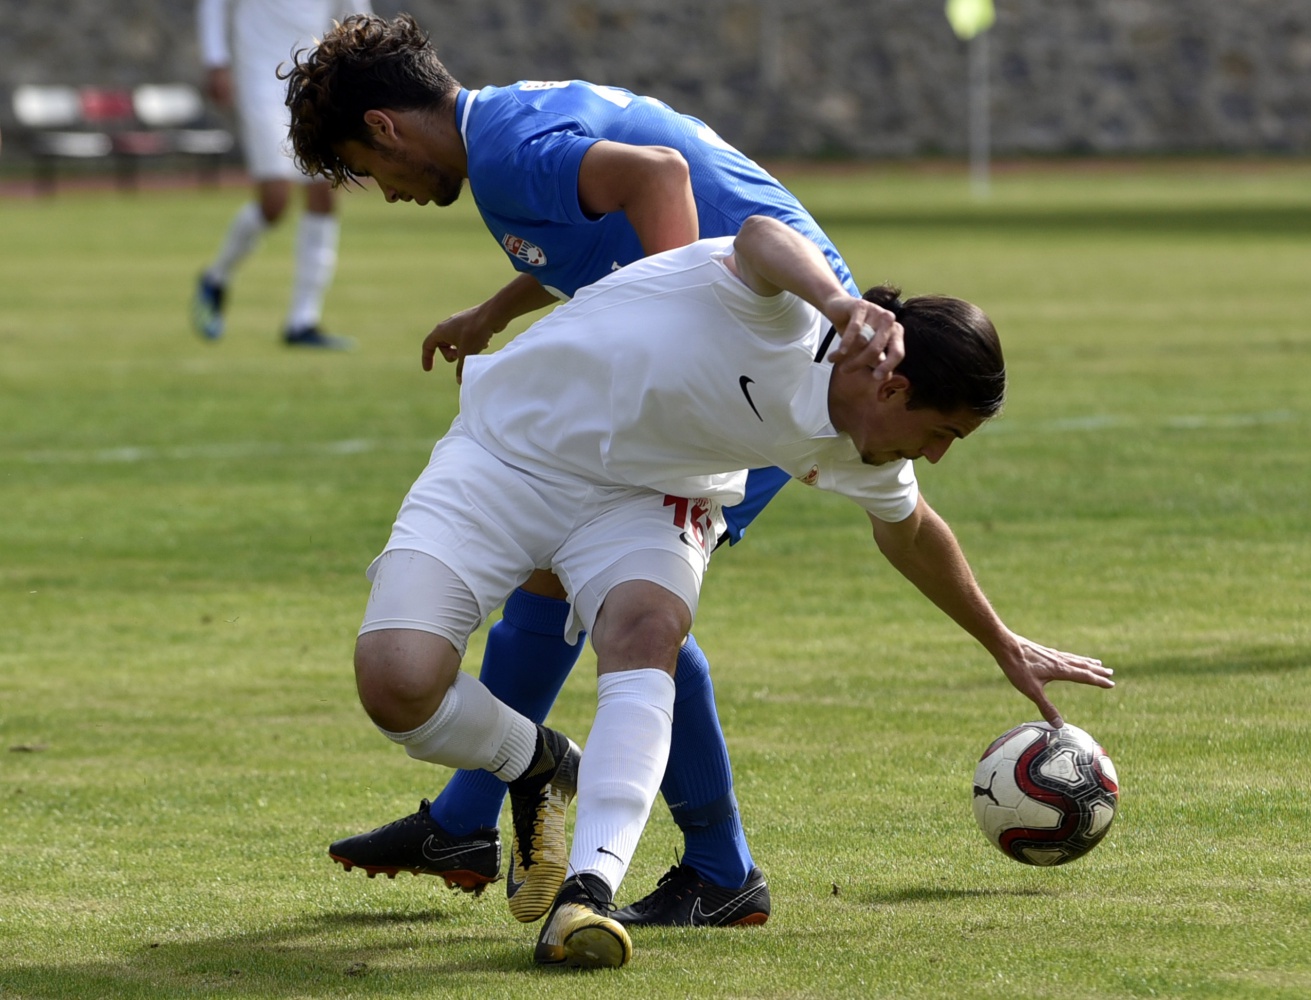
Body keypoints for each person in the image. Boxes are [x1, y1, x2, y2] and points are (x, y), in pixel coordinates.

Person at [338, 213, 1115, 968]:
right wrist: (840, 303)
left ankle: (590, 891)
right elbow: (754, 236)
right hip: (505, 452)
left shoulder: (869, 453)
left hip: (649, 499)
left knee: (647, 632)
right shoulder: (788, 321)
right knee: (396, 684)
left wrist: (1002, 643)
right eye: (943, 432)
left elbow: (913, 532)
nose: (937, 457)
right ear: (891, 386)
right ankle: (536, 763)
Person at [285, 12, 891, 928]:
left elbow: (659, 181)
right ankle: (463, 821)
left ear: (384, 127)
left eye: (370, 171)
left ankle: (720, 871)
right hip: (756, 354)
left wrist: (675, 334)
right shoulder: (502, 129)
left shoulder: (511, 151)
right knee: (561, 581)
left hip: (772, 377)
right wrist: (496, 310)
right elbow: (592, 232)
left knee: (631, 605)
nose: (388, 191)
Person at [191, 0, 364, 349]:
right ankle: (215, 277)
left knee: (323, 195)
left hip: (315, 80)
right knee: (276, 201)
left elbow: (358, 16)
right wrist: (216, 60)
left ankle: (303, 321)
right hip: (261, 80)